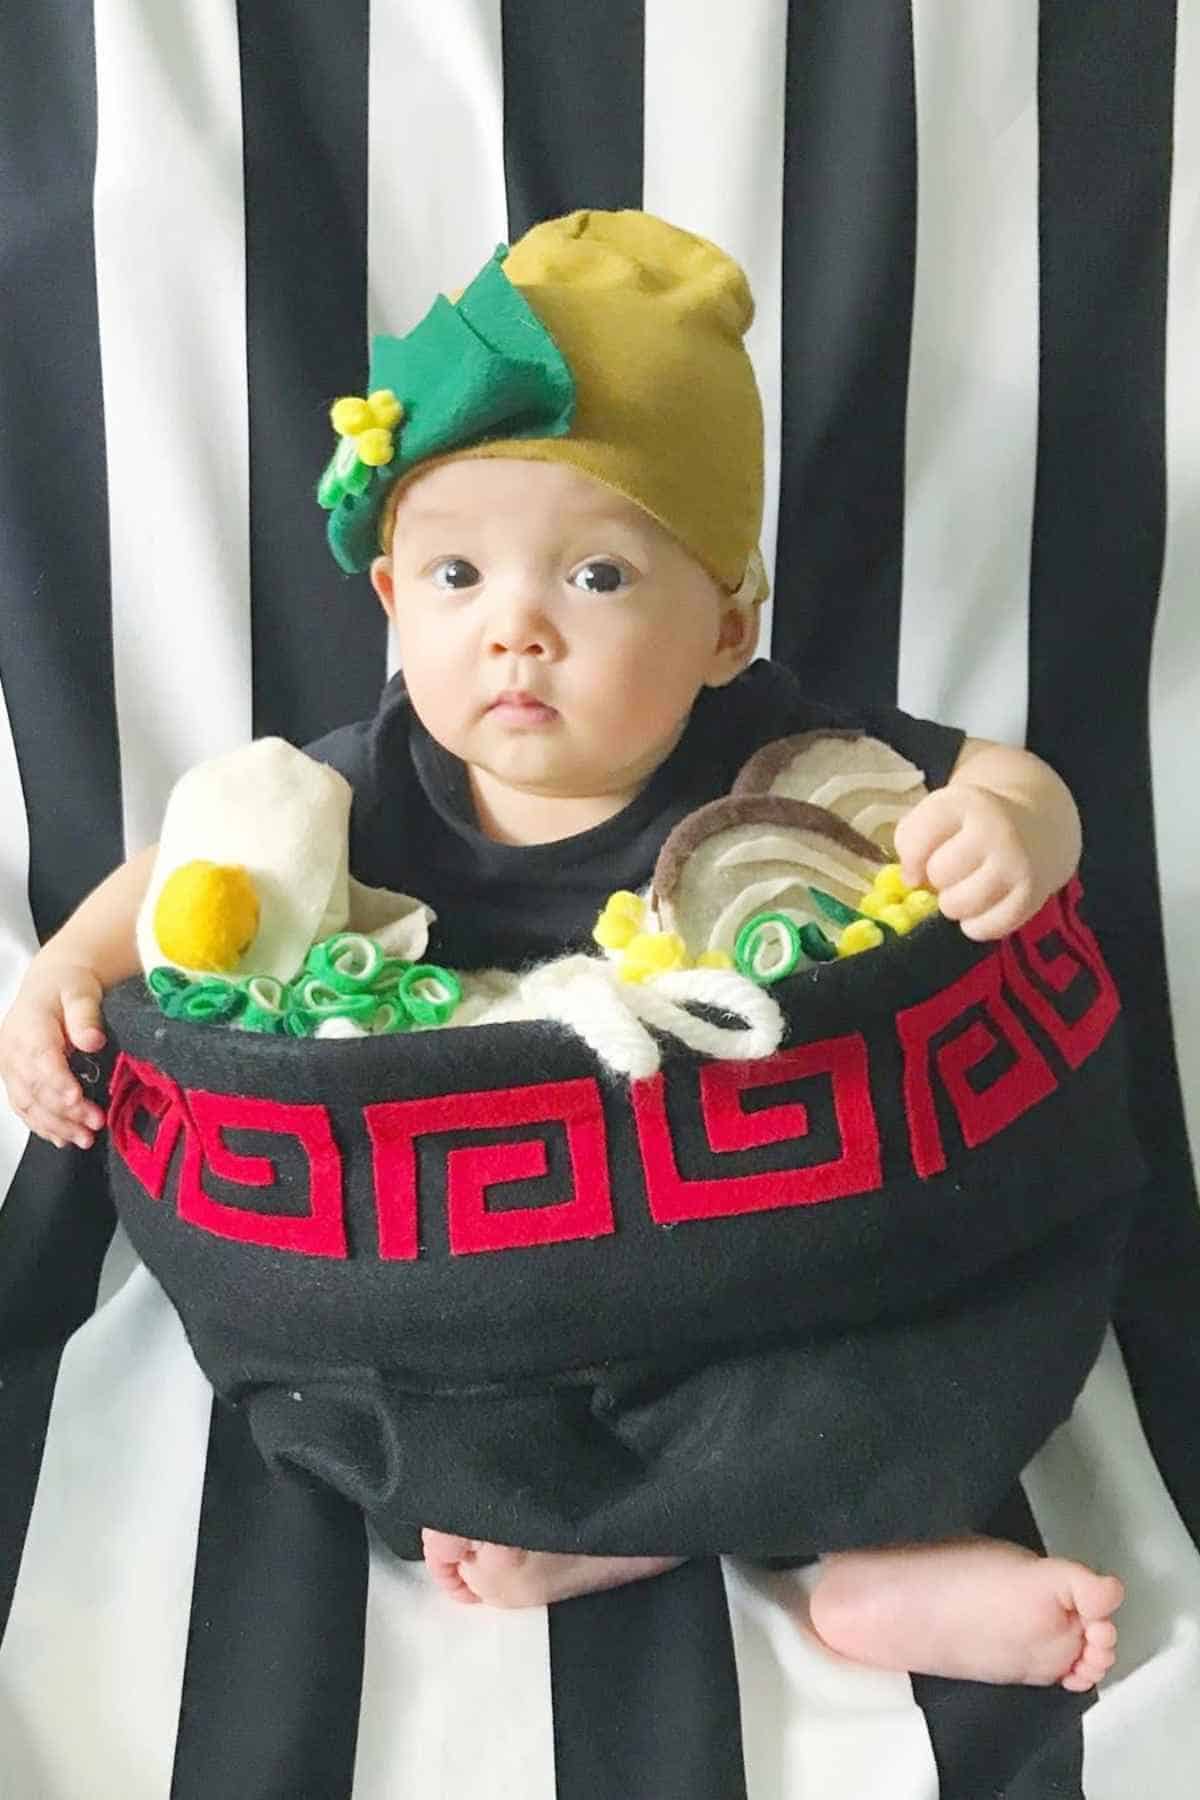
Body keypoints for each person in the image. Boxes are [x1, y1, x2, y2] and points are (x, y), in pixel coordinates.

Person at [0, 208, 1123, 1691]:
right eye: (459, 578)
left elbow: (1002, 774)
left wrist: (1018, 835)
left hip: (771, 1264)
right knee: (379, 1378)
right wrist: (67, 964)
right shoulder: (375, 781)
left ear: (725, 627)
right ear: (396, 600)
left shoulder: (780, 758)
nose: (517, 631)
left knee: (943, 1320)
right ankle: (623, 1521)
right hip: (513, 1280)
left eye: (596, 579)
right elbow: (187, 876)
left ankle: (856, 1554)